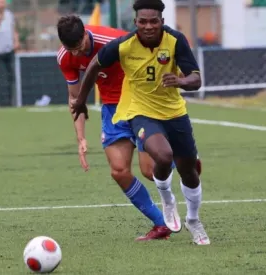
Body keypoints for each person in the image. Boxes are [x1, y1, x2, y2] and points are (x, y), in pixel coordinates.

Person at [71, 0, 210, 245]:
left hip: (175, 113)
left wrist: (181, 81)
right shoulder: (123, 45)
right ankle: (167, 200)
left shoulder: (176, 41)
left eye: (153, 21)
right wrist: (81, 101)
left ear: (162, 22)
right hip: (141, 112)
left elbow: (196, 79)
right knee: (163, 156)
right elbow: (93, 66)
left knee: (189, 172)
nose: (148, 26)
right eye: (143, 21)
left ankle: (194, 220)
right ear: (135, 23)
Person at [56, 15, 173, 241]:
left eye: (80, 47)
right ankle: (161, 224)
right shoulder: (65, 57)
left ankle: (182, 158)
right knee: (119, 170)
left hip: (141, 102)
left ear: (85, 35)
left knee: (149, 171)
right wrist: (80, 138)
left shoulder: (114, 40)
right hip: (112, 108)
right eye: (72, 50)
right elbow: (75, 99)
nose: (77, 54)